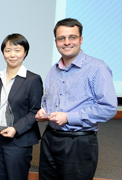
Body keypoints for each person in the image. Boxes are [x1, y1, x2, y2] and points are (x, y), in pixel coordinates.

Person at [35, 18, 117, 180]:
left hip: (78, 143)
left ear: (81, 39)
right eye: (61, 38)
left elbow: (108, 108)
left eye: (72, 37)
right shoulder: (53, 70)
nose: (66, 42)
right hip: (50, 139)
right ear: (56, 42)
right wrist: (44, 112)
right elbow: (48, 101)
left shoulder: (97, 68)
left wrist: (68, 117)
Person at [0, 33, 42, 180]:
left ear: (25, 53)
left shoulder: (32, 80)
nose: (12, 55)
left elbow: (35, 111)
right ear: (3, 53)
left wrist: (15, 129)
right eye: (8, 50)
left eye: (17, 50)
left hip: (19, 141)